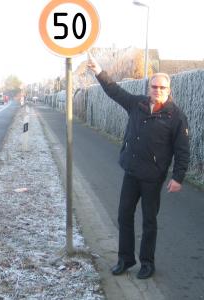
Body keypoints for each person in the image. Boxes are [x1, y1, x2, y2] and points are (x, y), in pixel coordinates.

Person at [86, 52, 190, 279]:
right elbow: (114, 90)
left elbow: (182, 150)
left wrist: (178, 177)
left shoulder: (176, 117)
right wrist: (98, 71)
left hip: (153, 177)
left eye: (162, 87)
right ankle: (125, 259)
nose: (158, 91)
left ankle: (147, 263)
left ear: (169, 90)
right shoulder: (136, 104)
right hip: (131, 172)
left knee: (149, 221)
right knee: (124, 216)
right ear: (149, 87)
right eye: (154, 86)